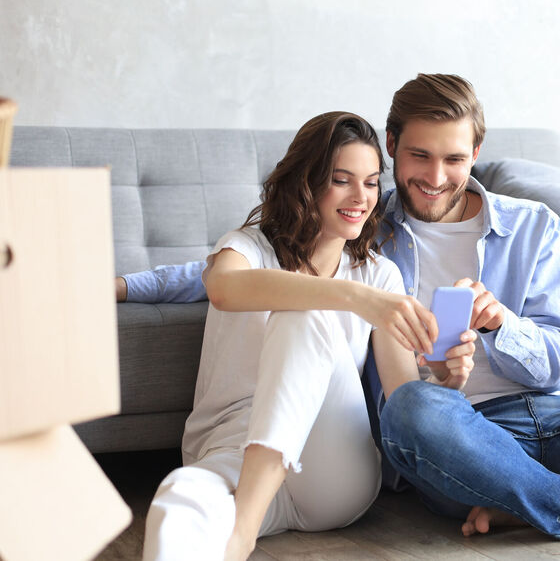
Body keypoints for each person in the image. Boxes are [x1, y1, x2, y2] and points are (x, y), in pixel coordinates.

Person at [122, 74, 560, 543]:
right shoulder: (366, 230)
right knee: (413, 406)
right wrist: (123, 286)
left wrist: (502, 325)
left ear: (476, 154)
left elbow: (559, 356)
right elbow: (258, 262)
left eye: (454, 159)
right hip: (451, 432)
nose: (434, 176)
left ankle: (528, 501)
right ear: (391, 144)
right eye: (417, 156)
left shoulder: (533, 227)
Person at [140, 111, 476, 561]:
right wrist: (355, 298)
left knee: (304, 317)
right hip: (231, 452)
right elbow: (222, 289)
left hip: (330, 471)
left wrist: (443, 379)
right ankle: (247, 518)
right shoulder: (247, 246)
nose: (361, 197)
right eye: (342, 180)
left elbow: (401, 396)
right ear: (307, 182)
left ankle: (241, 533)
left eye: (373, 182)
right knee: (178, 498)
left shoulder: (379, 274)